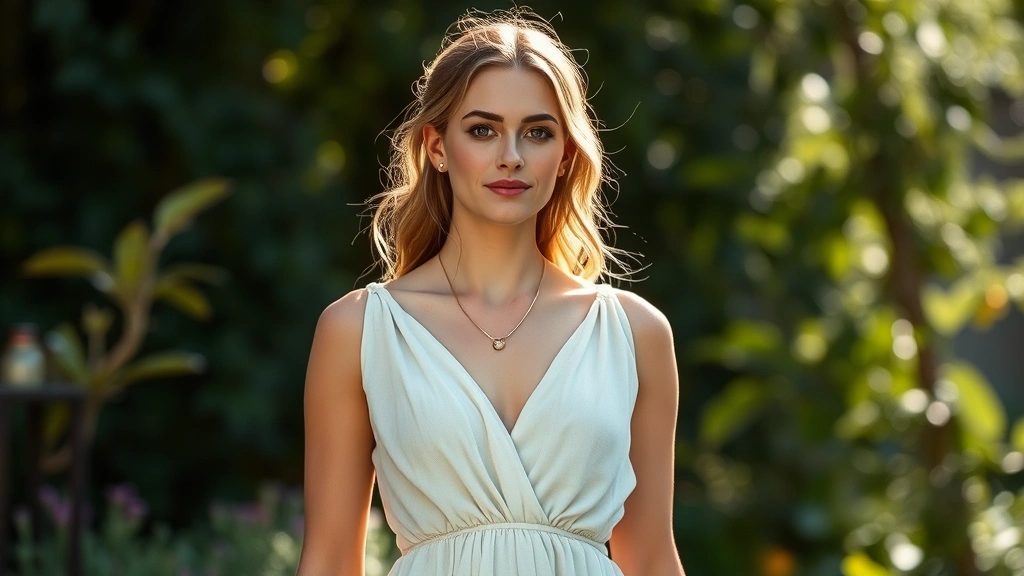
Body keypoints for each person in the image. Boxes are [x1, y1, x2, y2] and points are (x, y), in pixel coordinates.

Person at [297, 8, 685, 576]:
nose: (512, 155)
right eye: (483, 130)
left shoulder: (635, 333)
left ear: (566, 155)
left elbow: (651, 556)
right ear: (435, 147)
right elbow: (329, 562)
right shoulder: (359, 331)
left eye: (538, 132)